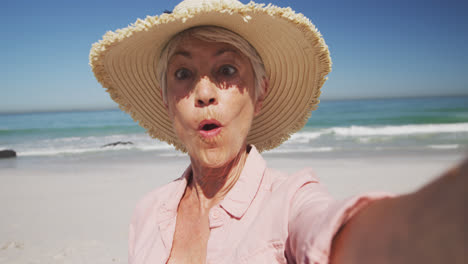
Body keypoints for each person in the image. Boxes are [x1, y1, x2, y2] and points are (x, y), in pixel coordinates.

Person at [89, 0, 467, 263]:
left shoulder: (289, 201)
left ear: (260, 90)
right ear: (167, 98)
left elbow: (336, 233)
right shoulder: (148, 212)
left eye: (226, 70)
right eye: (183, 74)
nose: (204, 93)